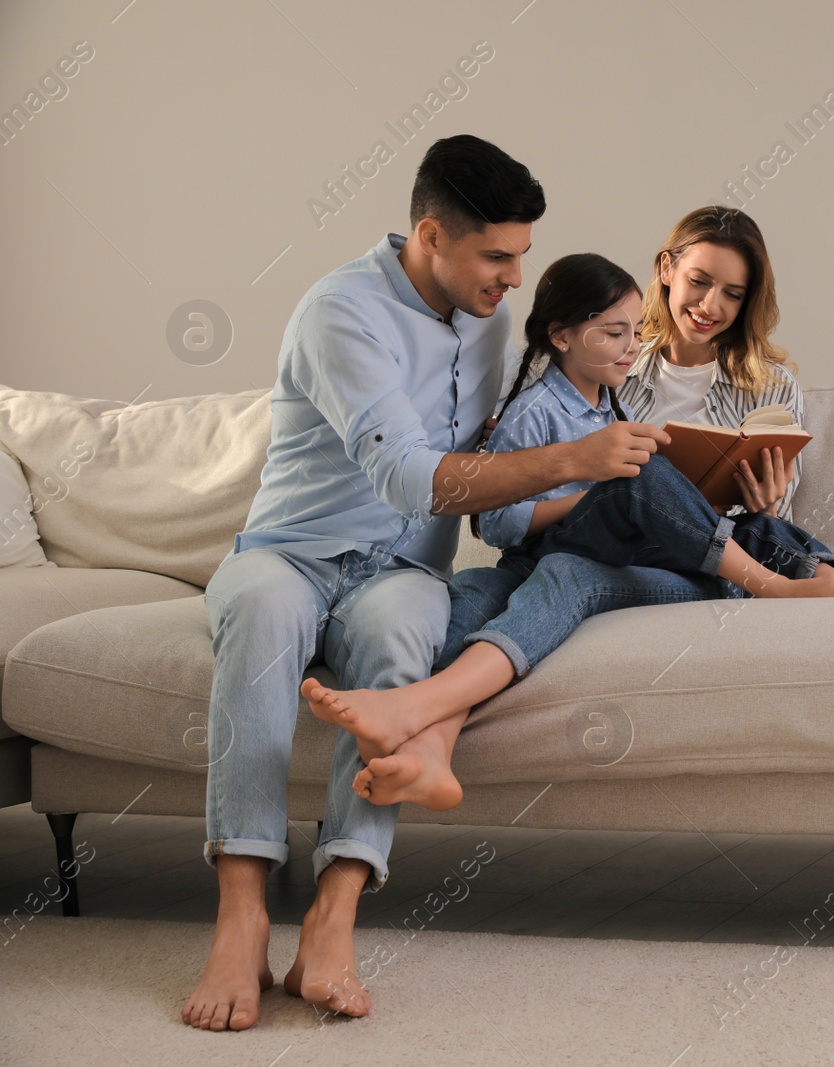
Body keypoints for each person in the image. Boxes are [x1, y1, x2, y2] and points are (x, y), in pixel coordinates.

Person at [181, 134, 661, 1031]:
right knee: (258, 612)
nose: (515, 278)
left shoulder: (491, 317)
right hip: (290, 549)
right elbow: (408, 476)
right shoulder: (341, 312)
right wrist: (573, 458)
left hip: (400, 569)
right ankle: (241, 912)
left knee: (407, 631)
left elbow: (550, 404)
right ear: (431, 236)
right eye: (497, 256)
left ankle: (335, 911)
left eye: (521, 256)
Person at [300, 210, 834, 808]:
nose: (712, 305)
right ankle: (427, 743)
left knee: (705, 512)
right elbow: (503, 496)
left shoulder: (735, 383)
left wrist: (757, 489)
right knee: (470, 593)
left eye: (734, 293)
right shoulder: (613, 374)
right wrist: (575, 471)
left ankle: (810, 582)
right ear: (666, 270)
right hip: (607, 544)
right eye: (700, 282)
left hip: (691, 538)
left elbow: (734, 499)